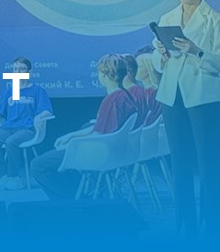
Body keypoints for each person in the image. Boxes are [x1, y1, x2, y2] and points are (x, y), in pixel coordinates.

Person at [150, 0, 220, 237]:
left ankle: (212, 226)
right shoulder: (167, 18)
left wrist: (197, 51)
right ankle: (184, 225)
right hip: (171, 95)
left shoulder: (215, 19)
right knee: (179, 162)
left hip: (202, 96)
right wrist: (161, 54)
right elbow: (158, 64)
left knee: (207, 162)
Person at [30, 54, 142, 199]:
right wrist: (72, 136)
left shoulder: (112, 101)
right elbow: (102, 127)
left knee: (38, 165)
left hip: (102, 153)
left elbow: (99, 136)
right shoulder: (125, 96)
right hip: (114, 151)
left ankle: (72, 200)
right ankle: (79, 195)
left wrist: (72, 145)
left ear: (105, 75)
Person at [0, 56, 52, 191]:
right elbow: (0, 111)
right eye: (15, 69)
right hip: (9, 127)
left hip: (28, 129)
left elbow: (47, 110)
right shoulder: (9, 91)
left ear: (29, 72)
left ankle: (14, 177)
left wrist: (39, 117)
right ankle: (2, 176)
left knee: (11, 142)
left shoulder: (38, 91)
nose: (18, 72)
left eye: (21, 69)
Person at [121, 52, 160, 125]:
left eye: (139, 67)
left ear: (149, 67)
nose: (135, 70)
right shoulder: (144, 91)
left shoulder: (151, 93)